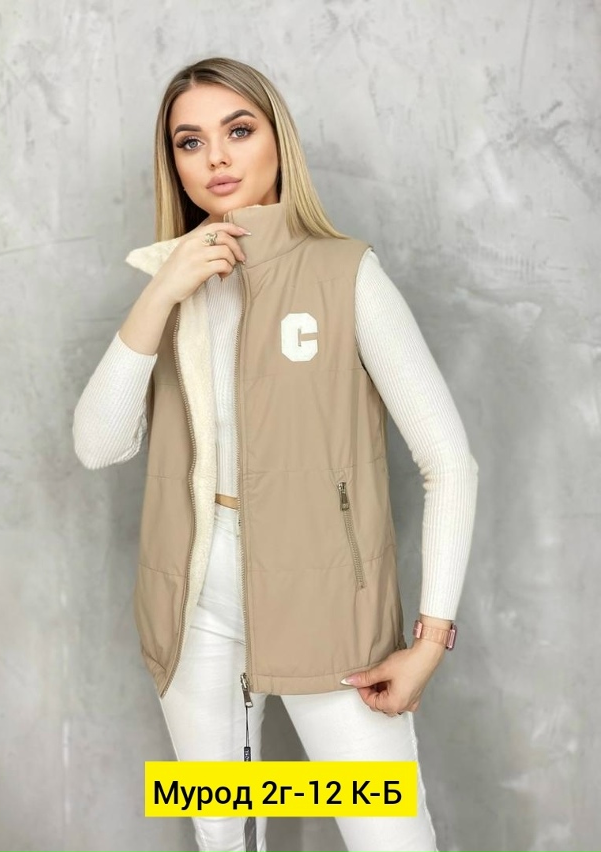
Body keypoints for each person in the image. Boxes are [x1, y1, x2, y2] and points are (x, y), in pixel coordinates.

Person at [73, 56, 478, 852]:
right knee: (225, 834)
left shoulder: (345, 272)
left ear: (277, 140)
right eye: (190, 142)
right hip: (195, 602)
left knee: (389, 835)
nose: (216, 158)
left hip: (327, 602)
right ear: (174, 163)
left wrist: (431, 640)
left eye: (239, 130)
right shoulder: (175, 286)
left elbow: (448, 463)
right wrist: (162, 288)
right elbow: (97, 444)